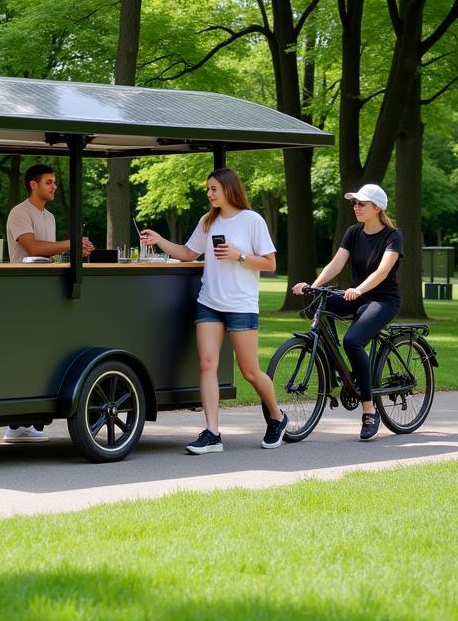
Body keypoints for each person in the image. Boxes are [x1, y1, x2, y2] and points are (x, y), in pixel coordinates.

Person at [140, 167, 287, 454]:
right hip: (209, 302)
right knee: (207, 364)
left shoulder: (252, 220)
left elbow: (270, 264)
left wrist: (239, 255)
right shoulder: (208, 221)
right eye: (208, 189)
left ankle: (277, 417)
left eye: (213, 189)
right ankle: (212, 433)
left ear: (229, 189)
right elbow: (187, 253)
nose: (209, 194)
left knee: (250, 371)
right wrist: (159, 240)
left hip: (241, 305)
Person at [291, 183, 403, 441]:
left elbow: (382, 272)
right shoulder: (353, 233)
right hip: (357, 295)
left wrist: (359, 290)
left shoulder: (392, 236)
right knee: (319, 305)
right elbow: (336, 263)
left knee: (353, 341)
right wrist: (313, 286)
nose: (356, 207)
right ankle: (335, 370)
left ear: (377, 208)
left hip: (382, 299)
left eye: (362, 203)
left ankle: (369, 411)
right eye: (354, 203)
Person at [2, 164, 94, 443]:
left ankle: (28, 423)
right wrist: (71, 243)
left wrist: (76, 249)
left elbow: (48, 256)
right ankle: (15, 424)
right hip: (23, 294)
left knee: (43, 354)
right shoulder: (20, 213)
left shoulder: (50, 217)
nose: (54, 187)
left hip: (44, 294)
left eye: (54, 182)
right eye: (49, 182)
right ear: (33, 184)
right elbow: (33, 248)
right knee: (24, 353)